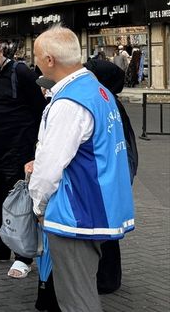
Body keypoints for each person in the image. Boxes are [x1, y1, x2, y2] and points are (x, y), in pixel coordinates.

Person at [27, 26, 135, 312]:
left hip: (76, 212)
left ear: (49, 60)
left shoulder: (69, 101)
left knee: (76, 298)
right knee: (81, 289)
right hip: (96, 206)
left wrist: (38, 205)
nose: (35, 62)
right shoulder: (97, 90)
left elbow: (49, 166)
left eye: (36, 56)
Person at [0, 34, 47, 278]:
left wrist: (36, 149)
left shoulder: (20, 72)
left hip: (19, 149)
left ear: (0, 50)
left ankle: (24, 256)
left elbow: (39, 109)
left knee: (19, 203)